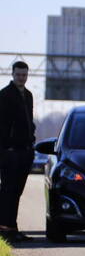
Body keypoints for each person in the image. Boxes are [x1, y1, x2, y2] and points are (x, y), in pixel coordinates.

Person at [0, 61, 36, 243]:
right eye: (18, 74)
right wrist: (7, 146)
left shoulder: (28, 95)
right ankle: (4, 228)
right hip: (10, 152)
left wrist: (32, 140)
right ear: (12, 74)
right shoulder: (4, 95)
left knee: (17, 192)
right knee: (8, 190)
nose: (21, 78)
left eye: (24, 75)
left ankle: (12, 228)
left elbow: (29, 121)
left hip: (25, 150)